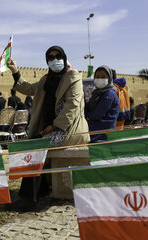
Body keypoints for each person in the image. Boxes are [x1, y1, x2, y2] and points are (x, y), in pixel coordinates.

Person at [6, 45, 90, 210]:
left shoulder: (73, 77)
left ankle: (28, 199)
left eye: (57, 56)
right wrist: (15, 71)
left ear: (64, 58)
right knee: (34, 145)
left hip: (69, 129)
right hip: (50, 129)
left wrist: (51, 127)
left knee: (36, 148)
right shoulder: (46, 80)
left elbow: (71, 108)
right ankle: (41, 190)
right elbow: (29, 89)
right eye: (50, 58)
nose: (54, 60)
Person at [85, 65, 119, 142]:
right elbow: (88, 106)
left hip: (104, 135)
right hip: (94, 134)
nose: (100, 79)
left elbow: (97, 114)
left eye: (103, 77)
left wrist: (87, 116)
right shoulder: (96, 93)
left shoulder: (109, 94)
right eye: (97, 77)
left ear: (109, 78)